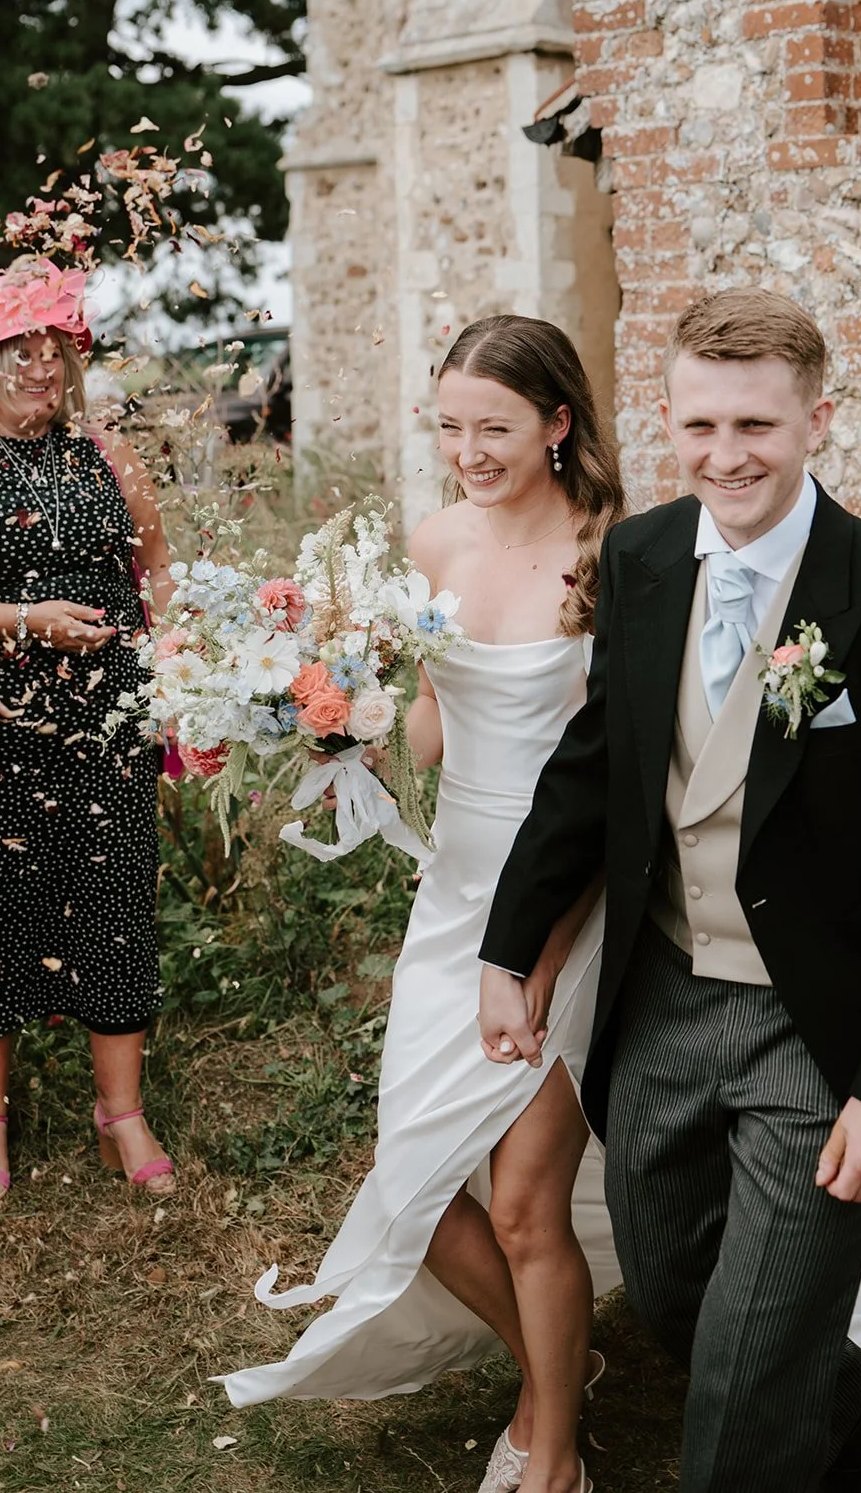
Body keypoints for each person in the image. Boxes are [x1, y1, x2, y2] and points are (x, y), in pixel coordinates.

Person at [478, 288, 861, 1493]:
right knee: (674, 1295)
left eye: (756, 427)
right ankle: (843, 1391)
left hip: (814, 1030)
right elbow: (593, 767)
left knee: (741, 1370)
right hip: (661, 1000)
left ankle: (780, 1404)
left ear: (815, 420)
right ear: (665, 417)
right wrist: (507, 948)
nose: (727, 456)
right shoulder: (644, 555)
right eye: (702, 425)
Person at [220, 316, 625, 1493]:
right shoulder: (433, 537)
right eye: (448, 427)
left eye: (493, 428)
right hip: (453, 890)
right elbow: (436, 721)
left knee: (520, 1202)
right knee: (415, 1176)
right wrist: (340, 724)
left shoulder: (614, 550)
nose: (467, 451)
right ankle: (556, 1368)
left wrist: (543, 952)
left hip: (563, 892)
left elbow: (607, 772)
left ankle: (551, 1453)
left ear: (557, 422)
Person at [0, 257, 175, 1202]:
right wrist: (27, 620)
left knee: (111, 911)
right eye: (18, 348)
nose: (37, 367)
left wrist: (177, 664)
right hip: (1, 723)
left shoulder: (107, 455)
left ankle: (121, 1113)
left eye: (53, 348)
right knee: (1, 909)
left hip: (108, 720)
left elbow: (156, 568)